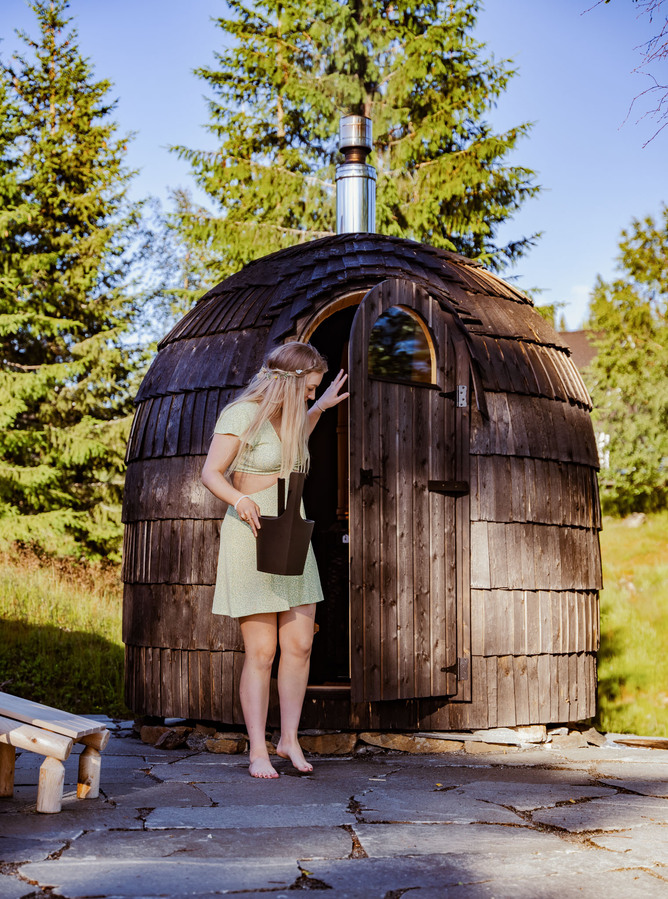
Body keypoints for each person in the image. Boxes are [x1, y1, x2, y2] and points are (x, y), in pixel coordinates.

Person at [201, 341, 349, 779]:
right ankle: (257, 749)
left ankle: (289, 738)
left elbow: (293, 442)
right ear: (288, 381)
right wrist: (239, 498)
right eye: (309, 387)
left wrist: (319, 407)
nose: (311, 393)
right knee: (262, 651)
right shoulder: (241, 415)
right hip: (252, 533)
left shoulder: (294, 417)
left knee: (300, 643)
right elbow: (210, 473)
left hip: (291, 533)